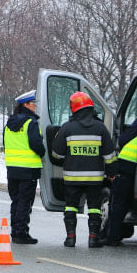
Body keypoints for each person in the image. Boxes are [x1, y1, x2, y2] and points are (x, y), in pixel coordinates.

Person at [51, 92, 116, 248]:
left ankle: (70, 238)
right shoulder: (100, 128)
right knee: (94, 208)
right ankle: (93, 238)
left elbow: (56, 154)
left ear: (73, 109)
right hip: (94, 179)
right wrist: (112, 173)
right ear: (90, 108)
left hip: (72, 178)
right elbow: (110, 155)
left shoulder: (67, 128)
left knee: (70, 206)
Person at [4, 90, 45, 244]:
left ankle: (15, 232)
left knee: (16, 201)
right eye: (32, 103)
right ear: (26, 105)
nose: (35, 106)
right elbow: (36, 145)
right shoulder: (30, 123)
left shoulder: (9, 124)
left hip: (12, 168)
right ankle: (21, 233)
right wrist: (43, 152)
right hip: (28, 169)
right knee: (25, 202)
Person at [104, 118, 137, 246]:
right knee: (124, 201)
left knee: (117, 203)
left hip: (126, 162)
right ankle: (107, 234)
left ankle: (111, 237)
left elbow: (123, 140)